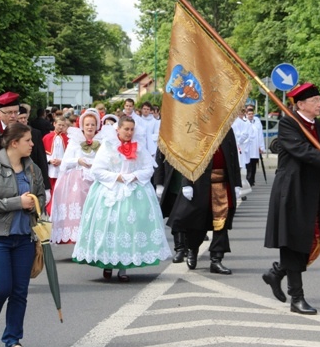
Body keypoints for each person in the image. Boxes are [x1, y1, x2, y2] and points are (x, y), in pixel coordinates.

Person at [262, 82, 320, 315]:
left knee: (312, 239)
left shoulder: (318, 126)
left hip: (314, 191)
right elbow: (302, 150)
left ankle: (277, 272)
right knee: (293, 243)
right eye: (316, 101)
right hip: (292, 191)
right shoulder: (288, 123)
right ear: (301, 104)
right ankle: (296, 298)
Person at [72, 116, 171, 282]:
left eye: (132, 129)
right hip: (111, 190)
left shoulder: (138, 146)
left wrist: (134, 176)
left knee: (128, 228)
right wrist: (118, 177)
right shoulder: (108, 145)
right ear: (118, 129)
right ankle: (107, 262)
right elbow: (97, 170)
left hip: (133, 190)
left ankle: (123, 268)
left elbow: (148, 168)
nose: (129, 133)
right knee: (109, 228)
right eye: (126, 129)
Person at [0, 122, 45, 347]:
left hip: (24, 238)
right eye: (28, 140)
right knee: (1, 287)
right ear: (14, 143)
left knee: (19, 292)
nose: (33, 144)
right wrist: (18, 202)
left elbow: (41, 198)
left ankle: (12, 340)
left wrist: (33, 205)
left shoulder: (33, 169)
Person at [167, 128, 242, 275]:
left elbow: (233, 158)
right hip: (200, 183)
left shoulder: (227, 129)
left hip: (222, 183)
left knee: (221, 223)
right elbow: (188, 158)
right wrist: (187, 182)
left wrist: (237, 182)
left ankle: (216, 259)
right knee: (197, 222)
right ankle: (192, 249)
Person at [50, 110, 100, 244]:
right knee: (80, 209)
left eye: (92, 124)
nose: (90, 127)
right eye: (87, 124)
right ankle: (79, 240)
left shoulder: (102, 142)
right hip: (78, 181)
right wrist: (78, 160)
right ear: (82, 126)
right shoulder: (75, 141)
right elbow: (65, 162)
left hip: (97, 180)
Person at [42, 116, 68, 206]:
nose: (61, 127)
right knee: (51, 190)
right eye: (59, 124)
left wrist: (61, 161)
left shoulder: (67, 138)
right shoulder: (47, 137)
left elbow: (69, 155)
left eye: (63, 125)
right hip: (50, 168)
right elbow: (43, 153)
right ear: (54, 124)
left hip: (62, 168)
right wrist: (50, 160)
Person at [244, 106, 265, 187]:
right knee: (247, 165)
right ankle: (248, 180)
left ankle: (252, 180)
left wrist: (261, 147)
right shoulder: (244, 122)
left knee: (254, 165)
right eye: (249, 114)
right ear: (246, 114)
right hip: (247, 148)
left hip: (255, 148)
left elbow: (260, 135)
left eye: (252, 114)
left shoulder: (257, 121)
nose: (251, 115)